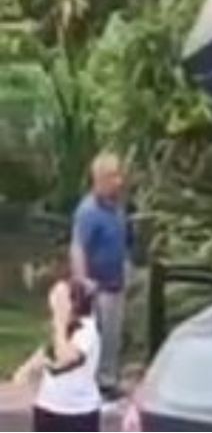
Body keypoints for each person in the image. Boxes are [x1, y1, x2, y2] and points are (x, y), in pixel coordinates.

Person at [70, 152, 130, 399]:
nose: (120, 181)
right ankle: (94, 384)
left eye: (119, 175)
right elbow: (78, 247)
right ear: (100, 178)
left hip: (116, 282)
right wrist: (83, 281)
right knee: (96, 336)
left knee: (112, 336)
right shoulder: (89, 211)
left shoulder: (117, 207)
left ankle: (108, 380)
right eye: (114, 175)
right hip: (98, 286)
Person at [13, 279, 102, 431]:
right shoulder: (60, 324)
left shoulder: (87, 329)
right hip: (48, 406)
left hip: (78, 412)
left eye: (61, 299)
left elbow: (65, 357)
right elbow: (48, 349)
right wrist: (28, 368)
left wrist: (60, 320)